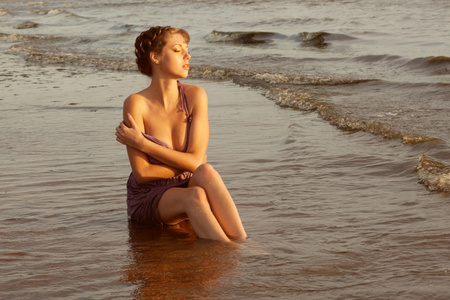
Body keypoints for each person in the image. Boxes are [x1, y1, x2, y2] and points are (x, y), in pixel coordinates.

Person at [115, 26, 247, 242]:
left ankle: (242, 241)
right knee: (195, 194)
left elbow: (197, 164)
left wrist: (143, 143)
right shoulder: (136, 103)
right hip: (149, 196)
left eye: (187, 49)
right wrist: (189, 164)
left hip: (188, 182)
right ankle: (228, 250)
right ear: (155, 57)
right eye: (177, 50)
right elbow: (143, 173)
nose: (188, 55)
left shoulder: (196, 96)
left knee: (207, 172)